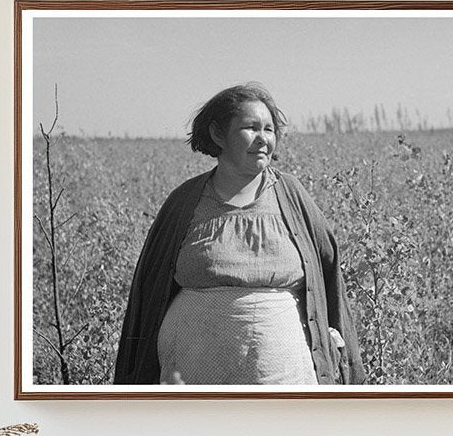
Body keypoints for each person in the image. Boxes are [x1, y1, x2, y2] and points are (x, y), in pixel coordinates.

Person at [114, 83, 365, 386]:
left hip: (282, 375)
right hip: (191, 372)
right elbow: (148, 292)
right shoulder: (183, 202)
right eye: (251, 127)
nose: (263, 139)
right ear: (218, 134)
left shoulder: (293, 197)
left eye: (269, 130)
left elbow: (328, 274)